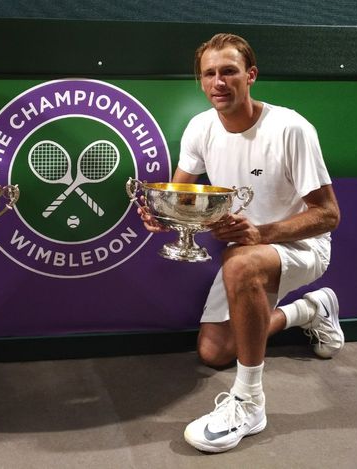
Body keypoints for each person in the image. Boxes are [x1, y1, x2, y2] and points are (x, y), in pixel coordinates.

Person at [140, 33, 344, 453]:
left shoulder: (291, 128)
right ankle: (311, 310)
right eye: (209, 74)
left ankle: (250, 403)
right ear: (201, 82)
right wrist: (163, 216)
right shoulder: (200, 127)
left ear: (250, 76)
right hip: (246, 253)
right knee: (215, 352)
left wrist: (260, 234)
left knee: (239, 264)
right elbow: (181, 197)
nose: (219, 81)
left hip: (302, 248)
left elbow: (329, 215)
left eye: (229, 71)